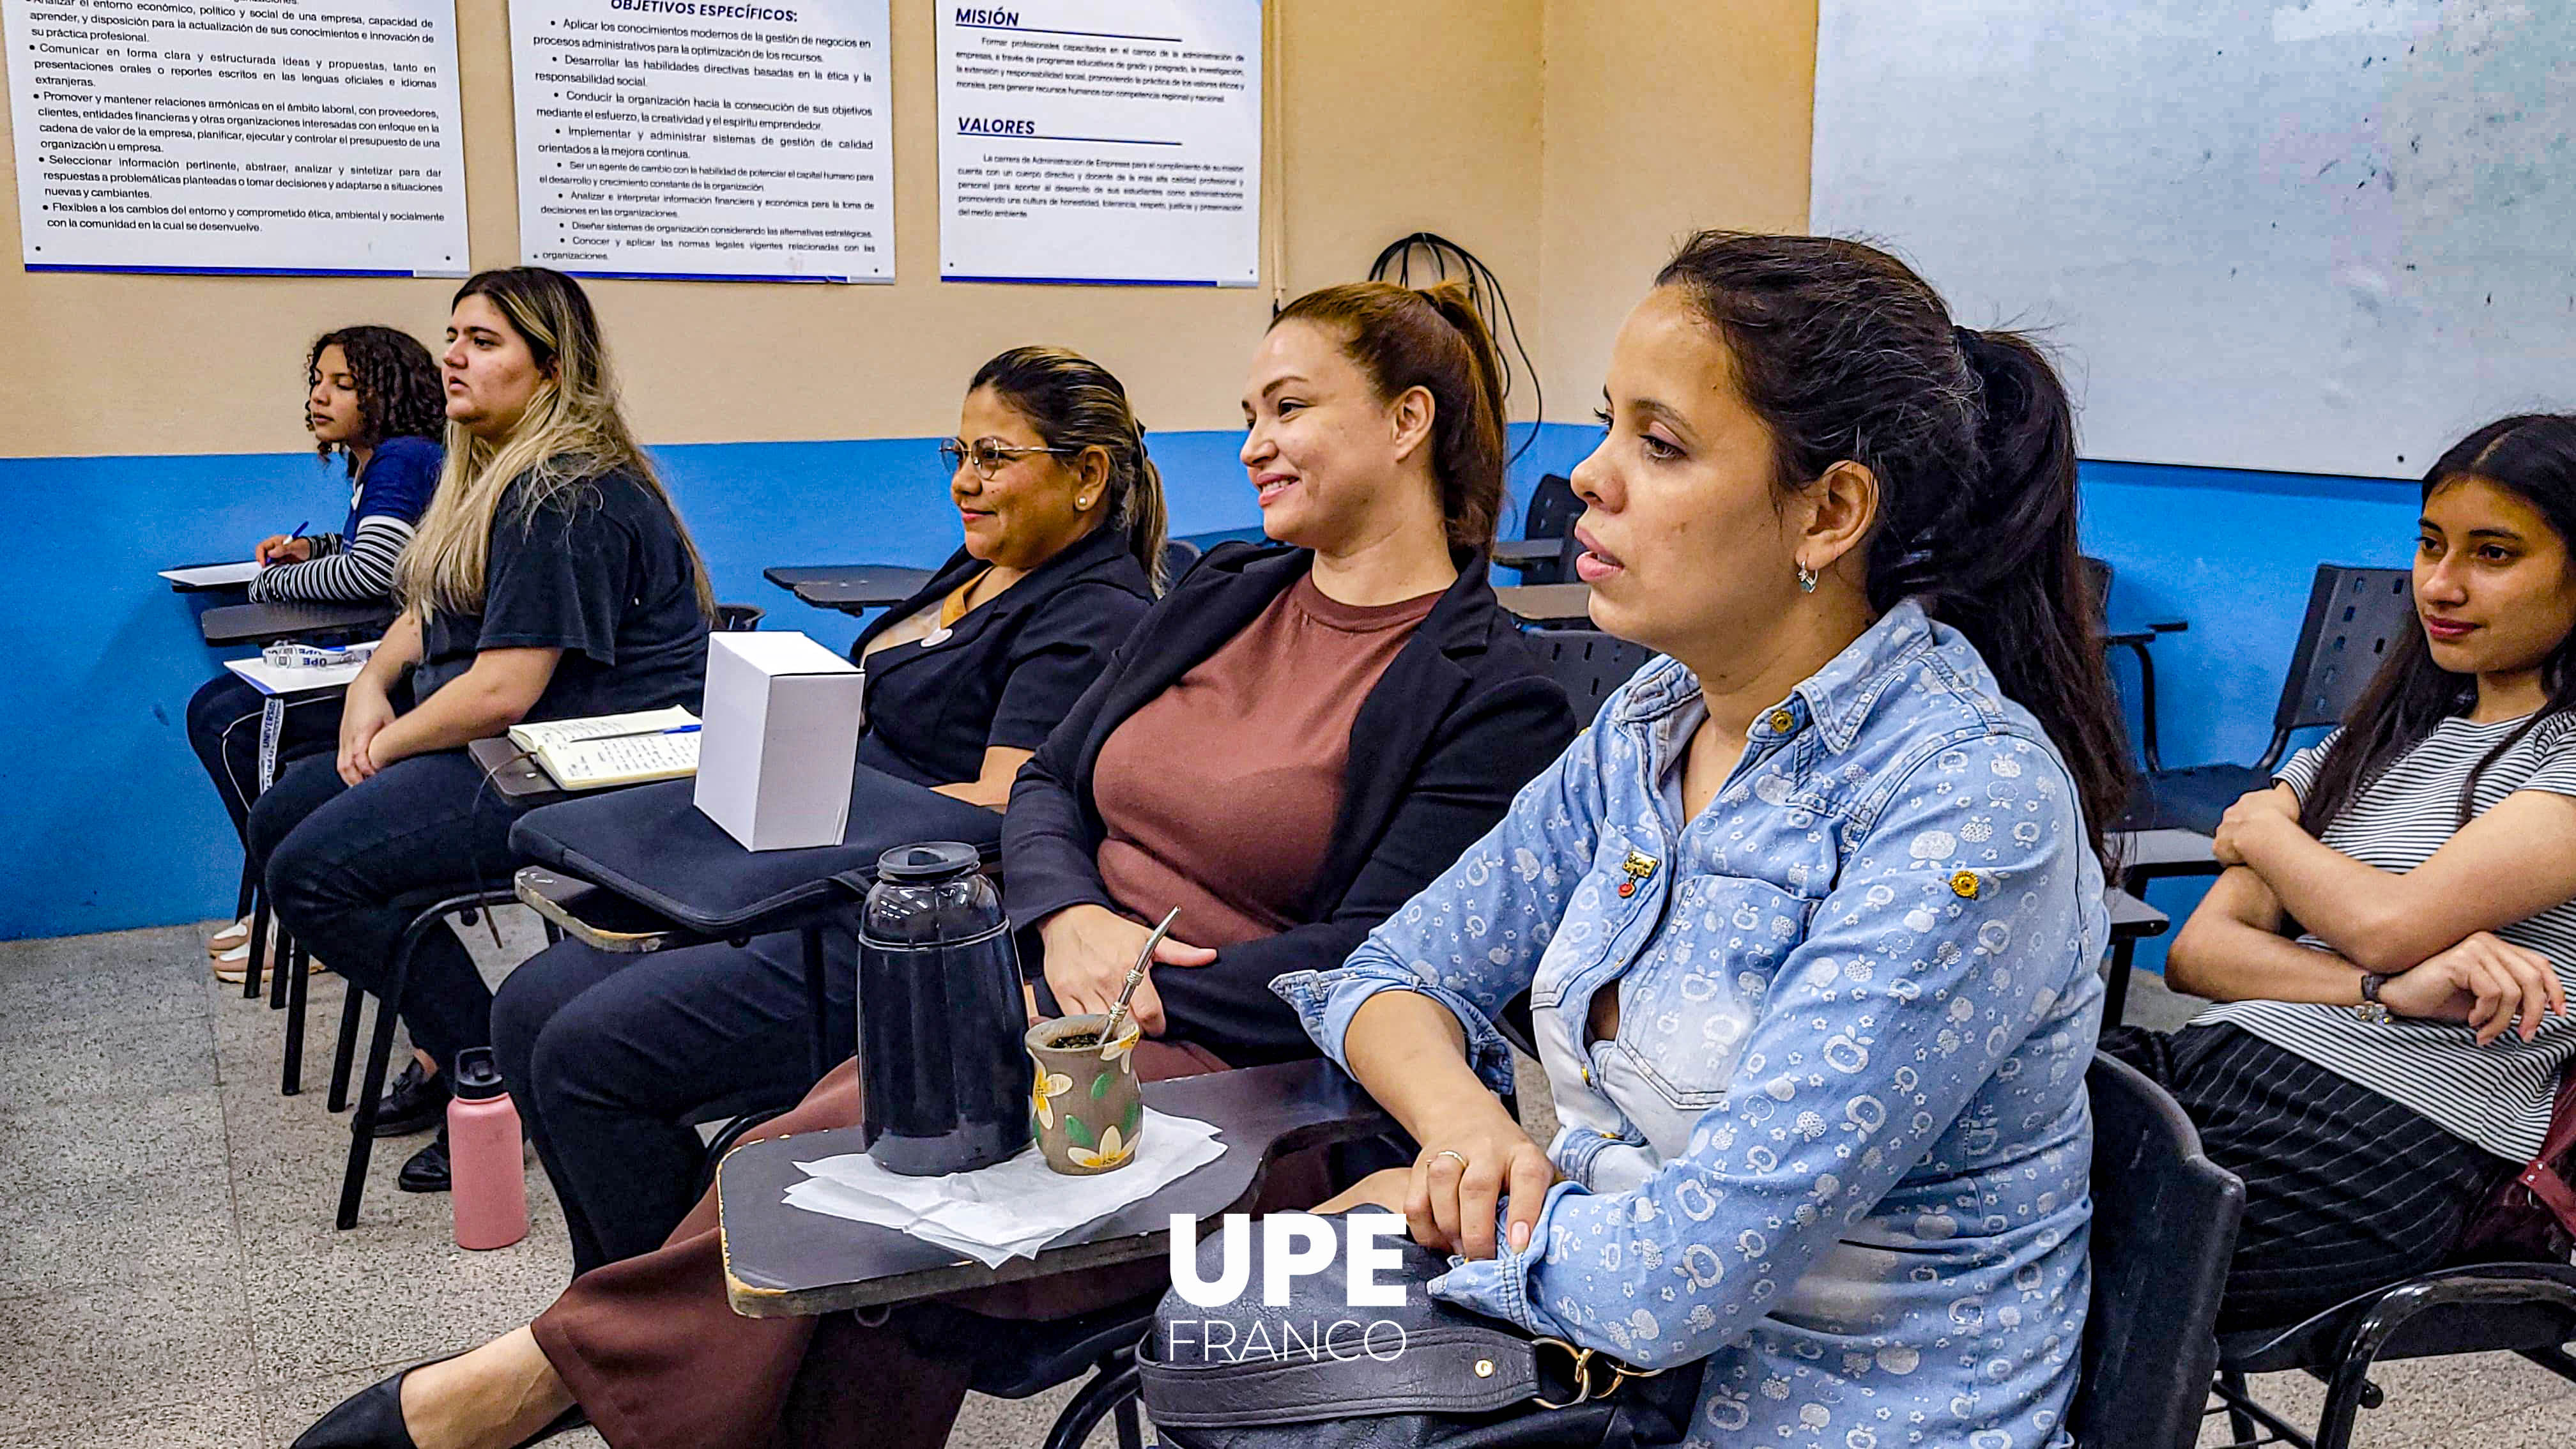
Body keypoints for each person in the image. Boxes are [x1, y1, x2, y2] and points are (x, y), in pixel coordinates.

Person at [293, 279, 1579, 1449]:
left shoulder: (1489, 687)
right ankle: (549, 1381)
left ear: (1409, 421)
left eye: (1289, 408)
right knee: (853, 1209)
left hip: (1244, 1080)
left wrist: (1140, 983)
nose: (1250, 442)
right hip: (1038, 995)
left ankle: (534, 1378)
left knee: (852, 1181)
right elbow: (1057, 788)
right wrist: (1071, 913)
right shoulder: (1228, 589)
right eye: (1249, 409)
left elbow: (1375, 963)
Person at [1275, 232, 2131, 1449]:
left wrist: (1433, 1217)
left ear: (1829, 511)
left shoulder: (1967, 804)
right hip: (1609, 1373)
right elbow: (1393, 971)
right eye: (1606, 422)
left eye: (1658, 443)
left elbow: (1681, 1276)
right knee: (1236, 1353)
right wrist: (1467, 1133)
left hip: (1839, 1417)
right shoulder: (1652, 722)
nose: (1587, 474)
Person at [485, 346, 1164, 1266]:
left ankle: (668, 1329)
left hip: (904, 934)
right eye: (955, 454)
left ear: (1086, 476)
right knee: (527, 1005)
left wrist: (825, 805)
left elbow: (1006, 802)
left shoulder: (1091, 613)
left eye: (996, 459)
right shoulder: (982, 567)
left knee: (586, 1056)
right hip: (818, 874)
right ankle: (618, 1297)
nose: (965, 482)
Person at [252, 267, 714, 1195]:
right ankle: (445, 1044)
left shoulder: (562, 490)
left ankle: (479, 1063)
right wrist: (372, 684)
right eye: (454, 334)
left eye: (485, 340)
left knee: (314, 871)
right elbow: (433, 605)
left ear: (550, 369)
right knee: (282, 823)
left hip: (590, 770)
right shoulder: (491, 472)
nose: (453, 356)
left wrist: (385, 747)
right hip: (520, 746)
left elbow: (504, 689)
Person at [2131, 413, 2576, 1330]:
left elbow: (2394, 920)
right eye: (2430, 545)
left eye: (2494, 554)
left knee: (2036, 1253)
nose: (2441, 585)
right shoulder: (2378, 735)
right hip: (2216, 1065)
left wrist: (2265, 828)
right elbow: (2202, 954)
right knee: (1955, 1138)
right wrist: (2381, 989)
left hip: (2388, 1141)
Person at [188, 325, 445, 979]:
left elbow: (375, 574)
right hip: (391, 663)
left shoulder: (403, 457)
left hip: (412, 681)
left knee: (228, 724)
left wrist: (270, 581)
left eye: (342, 384)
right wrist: (317, 549)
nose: (319, 398)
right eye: (317, 382)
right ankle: (286, 905)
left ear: (385, 393)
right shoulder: (384, 461)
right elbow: (382, 548)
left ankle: (305, 917)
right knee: (219, 710)